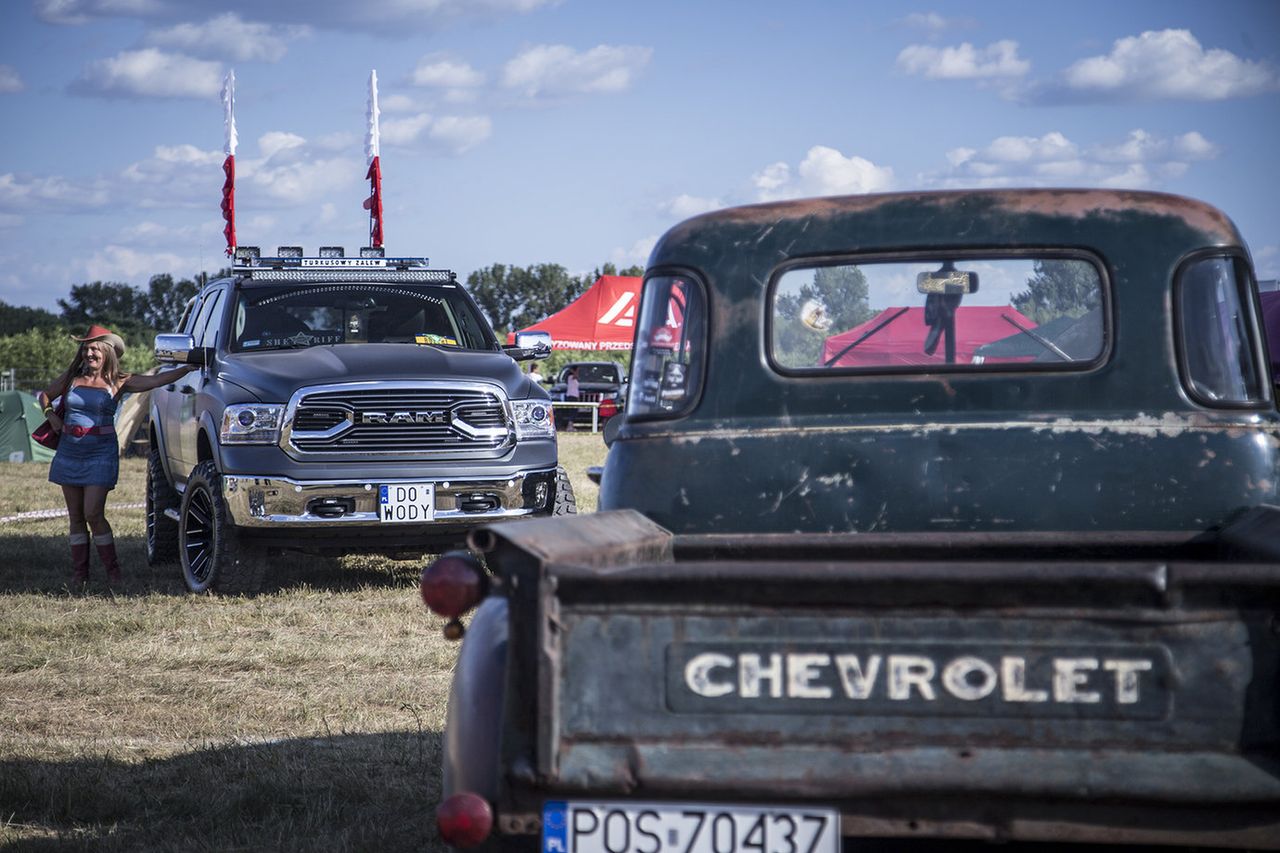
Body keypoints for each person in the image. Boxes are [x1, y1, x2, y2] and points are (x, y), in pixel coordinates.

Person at [37, 325, 200, 587]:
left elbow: (157, 380)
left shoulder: (120, 381)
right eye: (86, 348)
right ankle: (80, 575)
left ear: (107, 352)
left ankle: (113, 572)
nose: (89, 353)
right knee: (76, 517)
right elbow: (45, 395)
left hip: (100, 452)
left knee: (93, 513)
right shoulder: (71, 378)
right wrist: (51, 416)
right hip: (70, 450)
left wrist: (187, 369)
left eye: (94, 349)